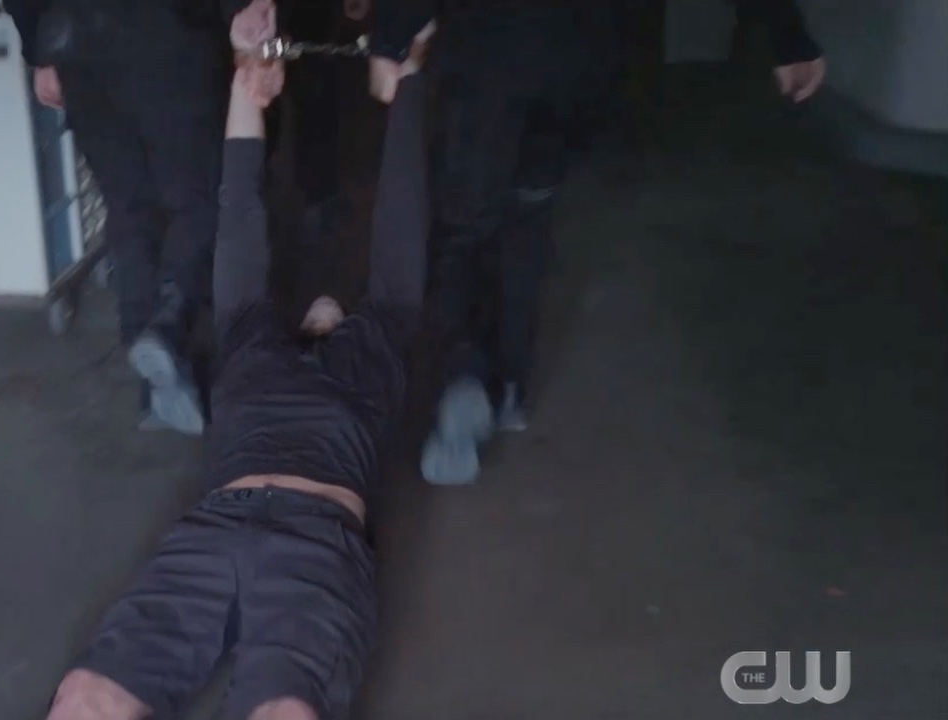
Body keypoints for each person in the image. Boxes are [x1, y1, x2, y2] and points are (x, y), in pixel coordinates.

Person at [43, 20, 435, 720]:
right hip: (210, 533)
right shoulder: (249, 331)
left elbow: (404, 212)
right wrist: (246, 87)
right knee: (84, 697)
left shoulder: (382, 333)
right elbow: (239, 211)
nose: (326, 298)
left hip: (317, 543)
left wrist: (407, 80)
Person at [366, 0, 827, 485]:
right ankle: (508, 385)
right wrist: (789, 38)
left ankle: (463, 375)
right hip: (581, 57)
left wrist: (391, 37)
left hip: (487, 49)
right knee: (529, 214)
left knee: (464, 230)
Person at [3, 0, 232, 435]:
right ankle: (171, 326)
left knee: (129, 208)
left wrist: (39, 50)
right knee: (198, 199)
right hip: (169, 36)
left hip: (76, 44)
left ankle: (152, 378)